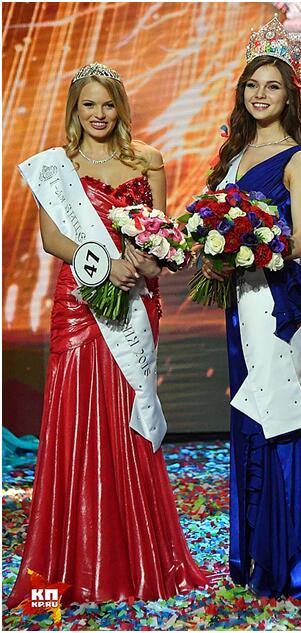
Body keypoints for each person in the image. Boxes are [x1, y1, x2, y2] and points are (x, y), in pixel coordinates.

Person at [8, 62, 207, 608]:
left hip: (135, 301)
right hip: (80, 303)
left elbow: (161, 232)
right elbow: (53, 240)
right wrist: (106, 261)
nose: (99, 114)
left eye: (108, 103)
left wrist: (144, 261)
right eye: (88, 105)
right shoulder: (58, 167)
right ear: (75, 110)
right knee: (76, 419)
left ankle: (140, 562)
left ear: (121, 106)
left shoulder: (147, 160)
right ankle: (67, 569)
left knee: (128, 416)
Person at [202, 17, 301, 597]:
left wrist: (246, 245)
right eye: (252, 84)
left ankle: (293, 560)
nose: (260, 94)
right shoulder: (234, 153)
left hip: (276, 300)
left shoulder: (297, 159)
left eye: (272, 85)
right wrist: (214, 252)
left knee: (278, 413)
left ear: (289, 95)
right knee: (248, 416)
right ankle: (255, 554)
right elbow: (217, 226)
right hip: (241, 299)